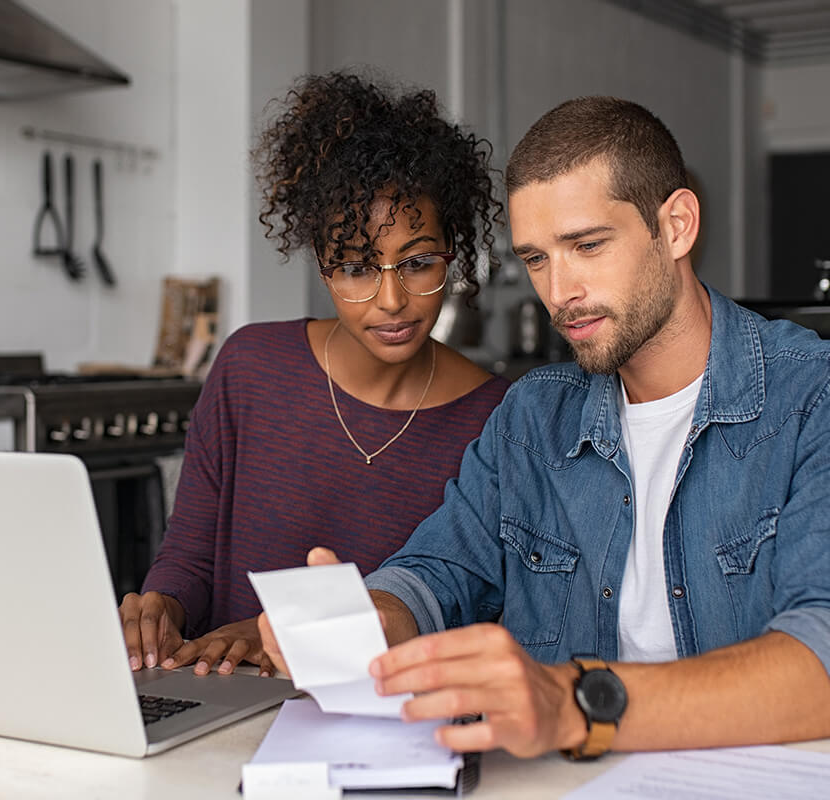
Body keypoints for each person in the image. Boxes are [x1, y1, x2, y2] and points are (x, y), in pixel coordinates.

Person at [261, 96, 830, 759]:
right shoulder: (532, 418)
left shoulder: (811, 397)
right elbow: (437, 572)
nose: (559, 291)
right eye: (536, 259)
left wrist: (573, 704)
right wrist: (367, 621)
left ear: (675, 225)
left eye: (586, 246)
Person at [120, 72, 509, 678]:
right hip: (222, 703)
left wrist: (278, 635)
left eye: (418, 262)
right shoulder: (249, 368)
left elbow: (470, 610)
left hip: (384, 726)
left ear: (451, 256)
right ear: (324, 269)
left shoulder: (496, 418)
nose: (390, 299)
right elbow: (190, 558)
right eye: (355, 267)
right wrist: (161, 607)